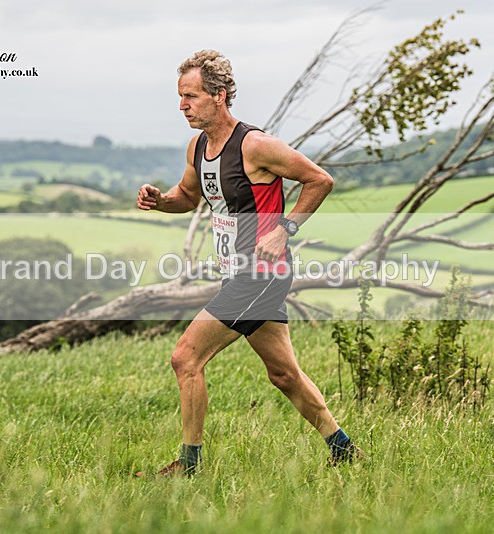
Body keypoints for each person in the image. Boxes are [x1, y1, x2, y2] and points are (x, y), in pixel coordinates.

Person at [135, 50, 361, 477]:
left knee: (185, 358)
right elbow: (187, 196)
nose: (182, 105)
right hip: (237, 274)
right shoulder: (198, 147)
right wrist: (161, 200)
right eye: (180, 96)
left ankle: (188, 465)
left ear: (219, 96)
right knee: (284, 374)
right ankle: (344, 450)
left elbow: (320, 180)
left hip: (261, 275)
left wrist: (284, 229)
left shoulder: (255, 146)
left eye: (191, 96)